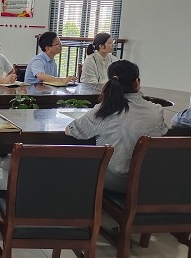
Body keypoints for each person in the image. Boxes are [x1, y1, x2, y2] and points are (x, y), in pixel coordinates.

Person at [66, 60, 168, 193]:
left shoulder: (105, 110)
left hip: (117, 181)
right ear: (137, 83)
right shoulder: (156, 110)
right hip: (147, 180)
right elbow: (163, 130)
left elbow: (71, 130)